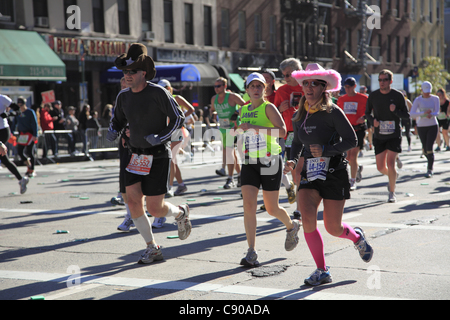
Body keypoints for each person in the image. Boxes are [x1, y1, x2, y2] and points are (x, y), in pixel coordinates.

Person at [286, 63, 373, 286]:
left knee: (333, 227)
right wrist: (292, 160)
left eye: (314, 83)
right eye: (305, 83)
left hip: (334, 173)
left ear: (324, 87)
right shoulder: (300, 114)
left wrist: (326, 150)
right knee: (307, 220)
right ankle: (322, 270)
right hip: (310, 175)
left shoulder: (334, 112)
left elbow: (352, 141)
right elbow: (296, 142)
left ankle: (356, 237)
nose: (308, 87)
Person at [107, 43, 191, 264]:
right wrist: (113, 129)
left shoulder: (158, 92)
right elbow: (118, 120)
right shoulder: (123, 96)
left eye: (132, 72)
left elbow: (178, 119)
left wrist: (161, 136)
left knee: (156, 208)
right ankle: (152, 247)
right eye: (125, 72)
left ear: (143, 73)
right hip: (134, 155)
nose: (127, 75)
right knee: (133, 202)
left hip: (157, 155)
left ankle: (180, 212)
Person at [234, 72, 301, 267]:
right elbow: (242, 132)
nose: (256, 89)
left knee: (271, 208)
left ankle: (291, 226)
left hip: (270, 160)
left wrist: (254, 127)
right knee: (249, 206)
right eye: (252, 86)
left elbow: (282, 131)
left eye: (259, 86)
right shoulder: (243, 110)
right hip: (250, 161)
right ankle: (251, 251)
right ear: (246, 90)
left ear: (265, 89)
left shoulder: (269, 107)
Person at [365, 70, 410, 203]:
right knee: (380, 167)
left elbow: (406, 115)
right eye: (380, 80)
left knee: (390, 163)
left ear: (390, 81)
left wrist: (395, 111)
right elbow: (367, 113)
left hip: (394, 134)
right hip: (379, 135)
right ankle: (393, 177)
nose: (382, 82)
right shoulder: (373, 96)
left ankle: (392, 192)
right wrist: (372, 121)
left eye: (384, 80)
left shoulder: (398, 95)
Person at [274, 58, 303, 212]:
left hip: (307, 131)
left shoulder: (307, 87)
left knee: (302, 170)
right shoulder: (281, 91)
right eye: (284, 75)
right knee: (295, 170)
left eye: (289, 74)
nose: (286, 78)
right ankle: (299, 206)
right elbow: (274, 114)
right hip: (290, 134)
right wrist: (279, 108)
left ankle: (305, 202)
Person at [158, 79, 195, 199]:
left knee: (171, 159)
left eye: (164, 89)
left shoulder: (176, 98)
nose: (162, 91)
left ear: (169, 88)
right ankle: (181, 185)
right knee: (172, 160)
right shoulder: (160, 100)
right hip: (166, 132)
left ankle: (169, 187)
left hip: (177, 131)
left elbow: (191, 109)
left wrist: (180, 118)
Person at [210, 77, 246, 188]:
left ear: (225, 86)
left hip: (234, 128)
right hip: (223, 129)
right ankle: (240, 176)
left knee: (229, 152)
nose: (216, 88)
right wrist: (214, 115)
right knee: (231, 154)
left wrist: (235, 113)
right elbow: (212, 109)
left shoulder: (232, 97)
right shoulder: (214, 99)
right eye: (215, 86)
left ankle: (230, 179)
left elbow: (246, 106)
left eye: (219, 86)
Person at [337, 77, 367, 190]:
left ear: (354, 86)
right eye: (345, 87)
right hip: (346, 130)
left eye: (349, 87)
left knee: (353, 155)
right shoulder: (341, 99)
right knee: (348, 157)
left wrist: (364, 117)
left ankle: (352, 181)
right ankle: (357, 169)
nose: (347, 89)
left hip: (358, 129)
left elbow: (370, 112)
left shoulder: (363, 98)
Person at [410, 81, 440, 178]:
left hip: (432, 125)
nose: (427, 93)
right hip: (421, 126)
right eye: (425, 91)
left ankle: (429, 169)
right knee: (425, 149)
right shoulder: (418, 100)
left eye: (428, 91)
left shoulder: (435, 99)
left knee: (429, 146)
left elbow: (437, 112)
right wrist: (423, 113)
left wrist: (431, 114)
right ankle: (429, 159)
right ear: (422, 90)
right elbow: (412, 114)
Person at [0, 94, 29, 194]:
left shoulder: (3, 98)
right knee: (5, 160)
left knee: (4, 158)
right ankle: (21, 179)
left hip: (2, 131)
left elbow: (17, 110)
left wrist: (8, 114)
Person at [13, 97, 39, 178]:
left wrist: (35, 135)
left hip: (30, 134)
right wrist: (11, 133)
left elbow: (35, 123)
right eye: (19, 105)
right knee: (20, 151)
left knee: (30, 152)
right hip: (22, 134)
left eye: (22, 105)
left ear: (25, 104)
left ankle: (32, 169)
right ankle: (28, 165)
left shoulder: (30, 112)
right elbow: (14, 123)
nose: (20, 107)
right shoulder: (18, 113)